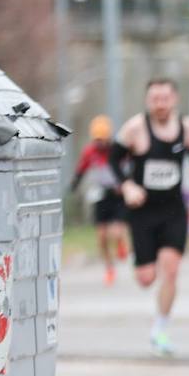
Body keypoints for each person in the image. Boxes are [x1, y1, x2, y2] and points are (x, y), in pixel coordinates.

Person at [108, 78, 189, 356]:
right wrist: (127, 186)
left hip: (174, 210)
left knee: (172, 270)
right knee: (146, 279)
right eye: (155, 99)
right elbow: (114, 161)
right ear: (148, 101)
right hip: (142, 212)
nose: (160, 104)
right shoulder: (135, 128)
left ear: (174, 99)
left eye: (165, 98)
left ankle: (161, 329)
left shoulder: (188, 128)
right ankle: (141, 260)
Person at [69, 114, 129, 285]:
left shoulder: (117, 150)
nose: (100, 142)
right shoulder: (90, 152)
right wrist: (74, 185)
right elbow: (81, 170)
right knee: (102, 237)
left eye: (103, 138)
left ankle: (121, 242)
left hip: (117, 194)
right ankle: (109, 268)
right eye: (97, 139)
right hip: (100, 194)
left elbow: (131, 165)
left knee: (116, 231)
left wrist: (127, 182)